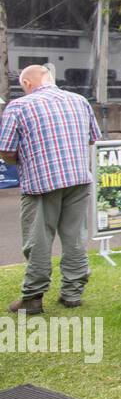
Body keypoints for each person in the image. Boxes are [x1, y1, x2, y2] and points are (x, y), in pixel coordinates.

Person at [0, 65, 102, 313]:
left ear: (27, 83)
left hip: (41, 183)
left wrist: (20, 160)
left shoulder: (19, 106)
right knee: (75, 237)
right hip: (78, 179)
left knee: (38, 241)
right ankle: (72, 293)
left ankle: (33, 298)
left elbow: (5, 150)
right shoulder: (79, 101)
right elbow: (92, 138)